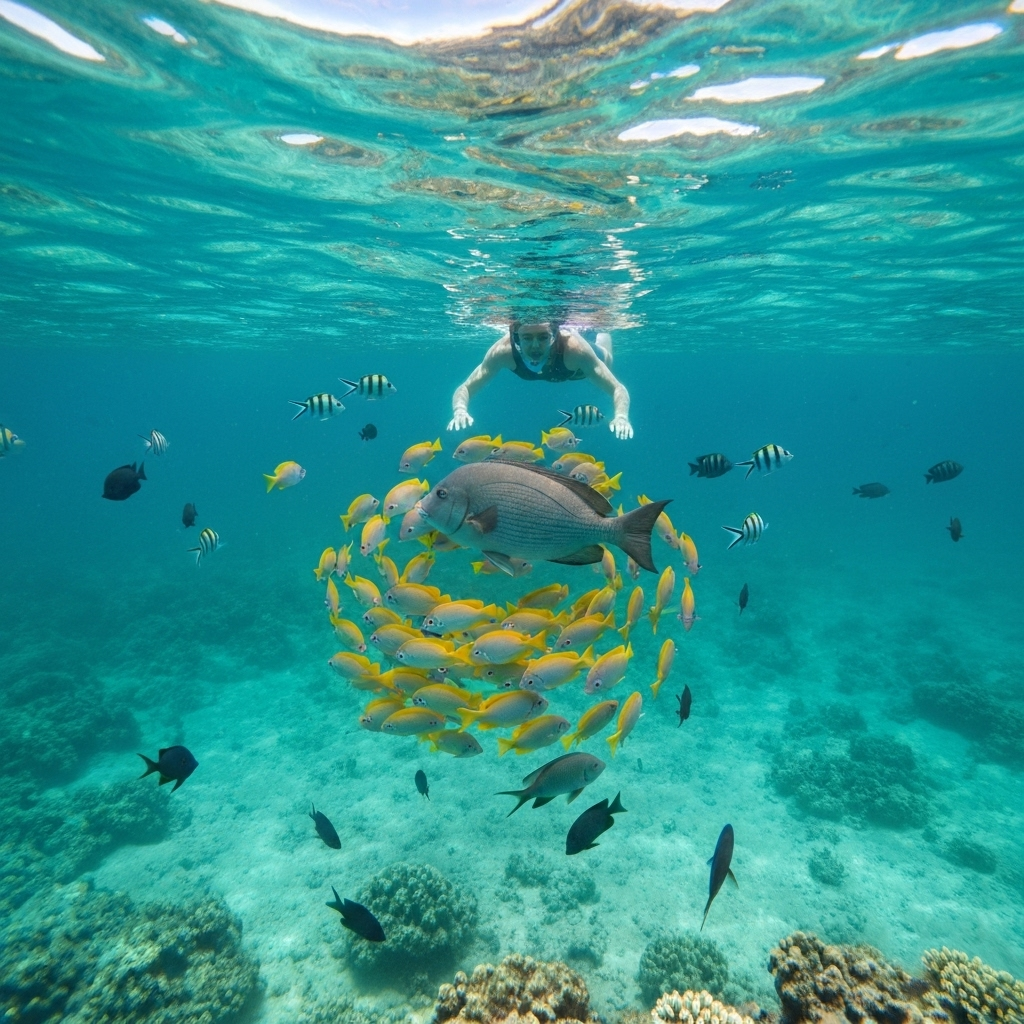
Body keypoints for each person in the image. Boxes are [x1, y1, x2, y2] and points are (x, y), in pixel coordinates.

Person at [447, 320, 633, 439]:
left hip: (577, 370)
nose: (535, 346)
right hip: (565, 366)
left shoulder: (575, 351)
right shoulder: (503, 352)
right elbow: (466, 388)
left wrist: (621, 417)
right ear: (516, 338)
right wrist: (460, 410)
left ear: (553, 336)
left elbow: (617, 388)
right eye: (527, 338)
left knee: (606, 358)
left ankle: (599, 328)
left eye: (543, 337)